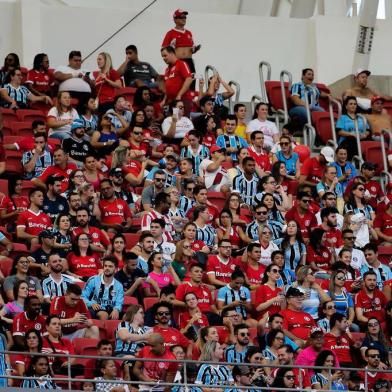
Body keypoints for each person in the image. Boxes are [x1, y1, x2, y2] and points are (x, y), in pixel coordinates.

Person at [162, 9, 200, 83]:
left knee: (191, 82)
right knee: (179, 83)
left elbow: (192, 48)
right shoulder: (170, 33)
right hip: (178, 62)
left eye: (185, 17)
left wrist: (195, 49)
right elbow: (164, 49)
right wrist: (171, 48)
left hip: (189, 62)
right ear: (175, 19)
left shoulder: (189, 33)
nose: (184, 19)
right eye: (181, 17)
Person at [161, 46, 193, 113]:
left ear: (172, 53)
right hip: (172, 102)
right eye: (162, 56)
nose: (163, 58)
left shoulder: (181, 64)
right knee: (173, 121)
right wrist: (164, 100)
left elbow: (189, 79)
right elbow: (168, 88)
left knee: (182, 122)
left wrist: (179, 95)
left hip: (183, 100)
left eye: (165, 55)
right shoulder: (167, 70)